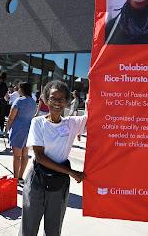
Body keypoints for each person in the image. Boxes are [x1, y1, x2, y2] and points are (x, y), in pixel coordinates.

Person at [19, 80, 87, 236]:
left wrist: (93, 86)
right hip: (37, 180)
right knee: (28, 228)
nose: (57, 102)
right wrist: (72, 172)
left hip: (59, 184)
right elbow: (40, 157)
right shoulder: (38, 123)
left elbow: (95, 116)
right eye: (53, 98)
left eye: (61, 99)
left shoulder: (71, 124)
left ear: (67, 102)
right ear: (45, 100)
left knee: (53, 229)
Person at [5, 82, 37, 183]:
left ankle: (15, 178)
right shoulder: (33, 101)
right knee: (25, 154)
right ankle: (20, 177)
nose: (17, 90)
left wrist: (6, 128)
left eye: (18, 88)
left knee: (17, 155)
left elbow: (11, 117)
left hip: (18, 130)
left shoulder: (19, 100)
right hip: (29, 130)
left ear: (22, 89)